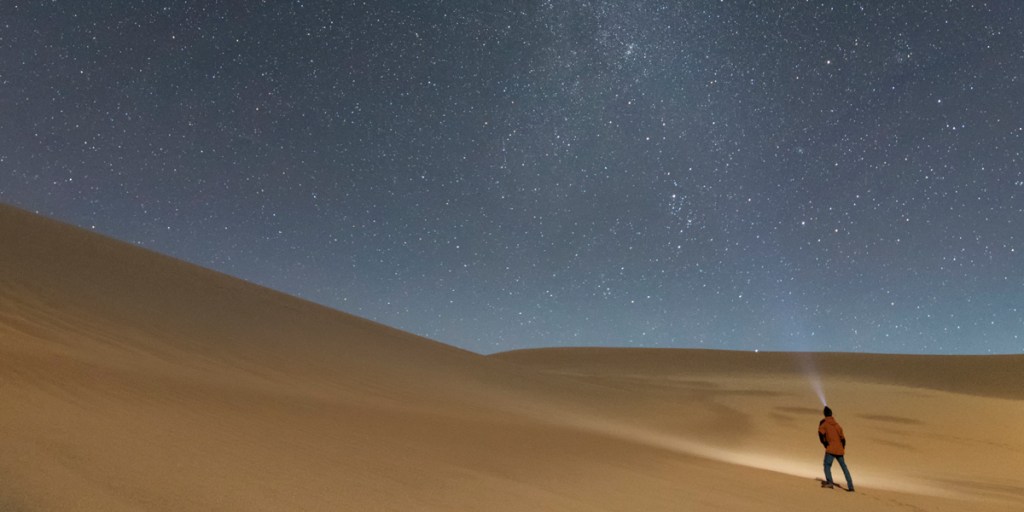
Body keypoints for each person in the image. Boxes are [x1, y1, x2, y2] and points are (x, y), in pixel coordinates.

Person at [818, 406, 854, 491]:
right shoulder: (837, 425)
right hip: (839, 449)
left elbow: (820, 433)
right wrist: (842, 448)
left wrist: (825, 443)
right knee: (844, 467)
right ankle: (851, 486)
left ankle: (830, 483)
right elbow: (843, 439)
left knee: (827, 465)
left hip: (831, 448)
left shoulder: (824, 423)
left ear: (824, 414)